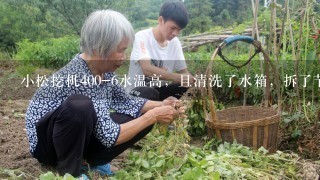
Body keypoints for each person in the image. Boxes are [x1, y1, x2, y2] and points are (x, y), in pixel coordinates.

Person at [25, 9, 185, 178]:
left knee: (147, 95)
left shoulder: (104, 71)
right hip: (47, 146)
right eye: (121, 50)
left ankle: (93, 161)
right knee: (79, 106)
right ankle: (71, 171)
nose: (124, 57)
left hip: (77, 134)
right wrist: (153, 116)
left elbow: (125, 101)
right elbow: (109, 136)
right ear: (100, 48)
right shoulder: (79, 75)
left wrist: (163, 105)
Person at [126, 1, 194, 101]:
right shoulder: (142, 37)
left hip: (159, 91)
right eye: (173, 28)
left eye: (179, 30)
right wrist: (177, 77)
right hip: (138, 92)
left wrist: (191, 80)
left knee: (186, 87)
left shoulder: (175, 43)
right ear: (161, 20)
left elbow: (184, 73)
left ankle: (168, 109)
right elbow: (147, 68)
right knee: (150, 93)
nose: (175, 33)